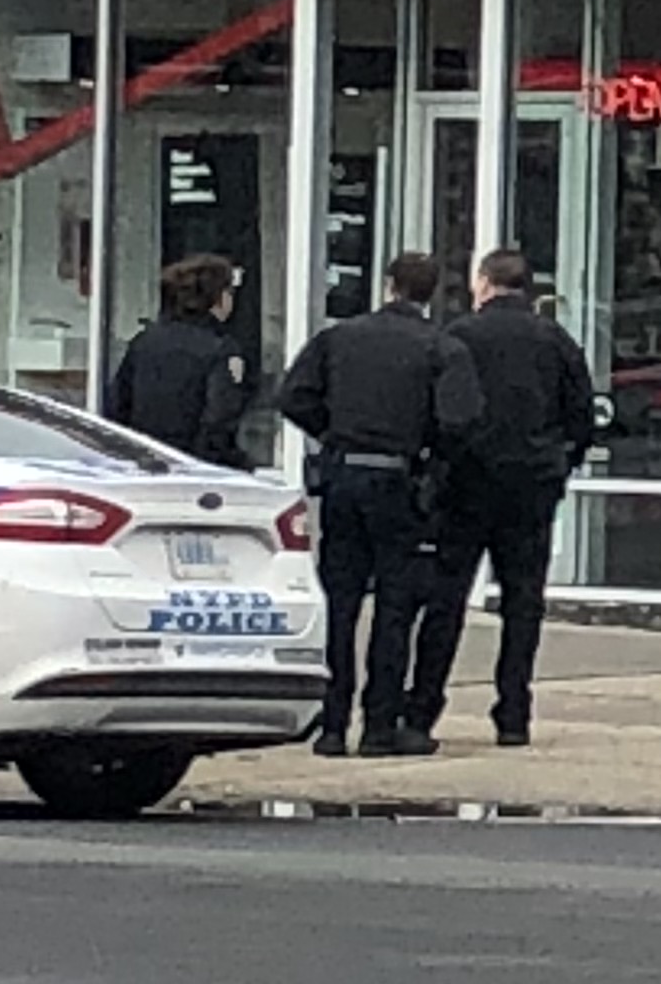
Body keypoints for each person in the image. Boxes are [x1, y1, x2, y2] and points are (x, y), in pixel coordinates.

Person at [277, 251, 483, 760]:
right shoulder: (443, 348)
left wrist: (332, 433)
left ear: (389, 285)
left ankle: (331, 723)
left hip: (344, 475)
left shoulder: (338, 337)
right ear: (430, 292)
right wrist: (428, 459)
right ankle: (379, 724)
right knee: (395, 608)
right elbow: (460, 421)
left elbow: (293, 396)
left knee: (341, 604)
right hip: (398, 481)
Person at [410, 249, 600, 749]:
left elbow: (437, 409)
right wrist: (560, 463)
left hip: (467, 484)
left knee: (446, 598)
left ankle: (423, 705)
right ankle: (513, 711)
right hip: (531, 484)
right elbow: (582, 414)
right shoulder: (555, 340)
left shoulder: (459, 337)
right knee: (523, 601)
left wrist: (436, 468)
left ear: (485, 283)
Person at [106, 255, 251, 468]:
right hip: (194, 466)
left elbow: (118, 407)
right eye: (229, 292)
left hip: (144, 462)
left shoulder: (143, 342)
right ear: (216, 298)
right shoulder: (219, 349)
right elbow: (220, 417)